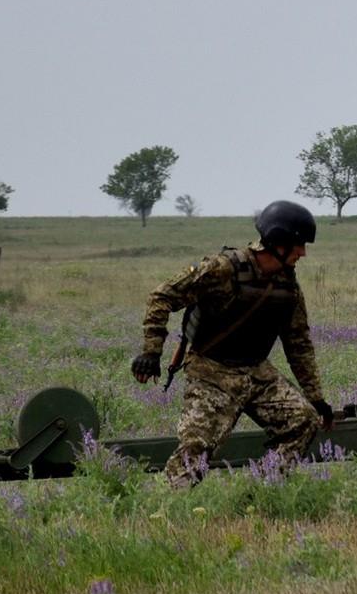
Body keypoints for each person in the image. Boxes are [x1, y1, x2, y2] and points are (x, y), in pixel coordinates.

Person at [132, 200, 333, 485]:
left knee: (303, 421)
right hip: (211, 372)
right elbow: (162, 296)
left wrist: (316, 399)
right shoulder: (222, 268)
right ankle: (168, 510)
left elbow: (298, 343)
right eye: (298, 245)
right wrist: (152, 352)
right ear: (277, 242)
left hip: (257, 372)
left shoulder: (288, 287)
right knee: (196, 449)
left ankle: (263, 489)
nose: (303, 253)